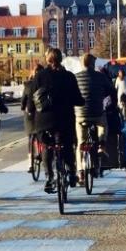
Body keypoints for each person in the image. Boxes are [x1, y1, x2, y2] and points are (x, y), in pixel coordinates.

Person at [28, 48, 84, 192]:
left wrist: (30, 111)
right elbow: (78, 98)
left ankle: (48, 177)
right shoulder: (69, 77)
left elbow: (31, 99)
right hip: (64, 120)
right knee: (67, 144)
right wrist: (80, 102)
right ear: (60, 59)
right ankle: (72, 173)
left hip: (44, 121)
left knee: (47, 146)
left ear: (47, 60)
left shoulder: (39, 76)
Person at [75, 53, 114, 184]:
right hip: (97, 112)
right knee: (103, 125)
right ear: (92, 64)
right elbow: (111, 90)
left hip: (80, 115)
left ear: (82, 64)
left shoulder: (76, 77)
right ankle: (102, 146)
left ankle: (80, 172)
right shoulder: (101, 77)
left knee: (80, 142)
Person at [21, 64, 43, 173]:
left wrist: (23, 107)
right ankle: (41, 154)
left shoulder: (28, 85)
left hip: (29, 114)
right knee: (42, 135)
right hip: (41, 113)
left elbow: (23, 102)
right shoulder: (44, 83)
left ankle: (30, 163)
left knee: (30, 138)